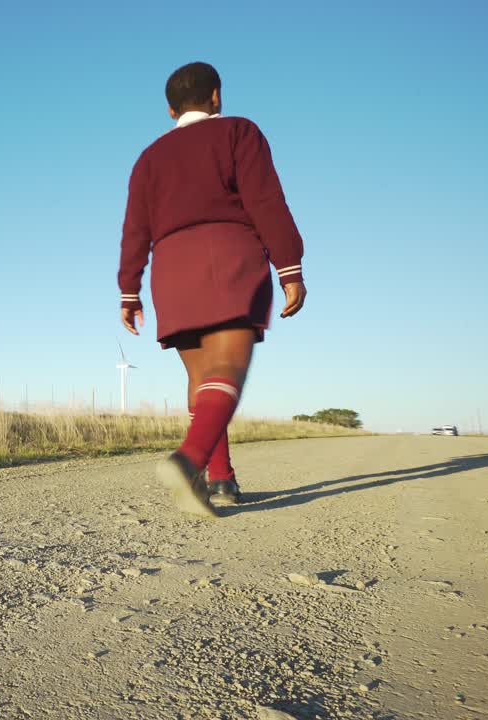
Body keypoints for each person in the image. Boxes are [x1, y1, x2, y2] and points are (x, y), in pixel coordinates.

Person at [117, 61, 307, 517]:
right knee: (228, 368)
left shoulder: (148, 158)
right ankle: (189, 462)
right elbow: (265, 199)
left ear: (170, 110)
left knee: (202, 379)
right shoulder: (238, 132)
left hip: (171, 270)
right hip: (227, 256)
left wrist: (129, 290)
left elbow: (134, 228)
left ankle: (221, 479)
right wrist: (289, 266)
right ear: (216, 96)